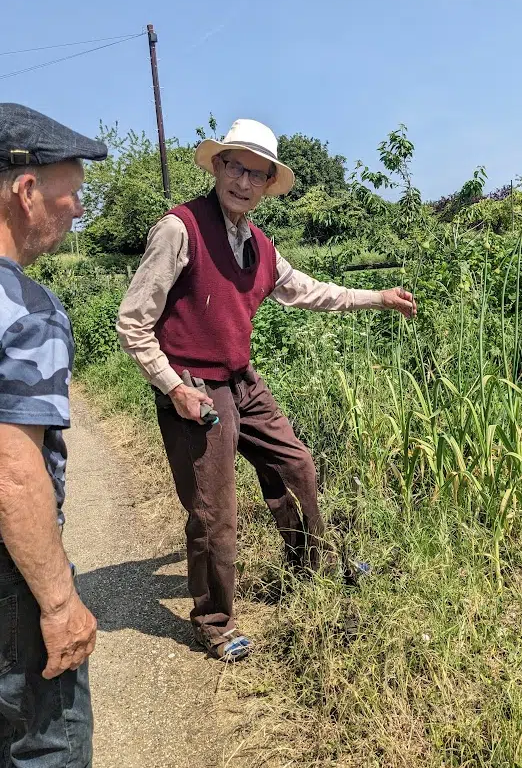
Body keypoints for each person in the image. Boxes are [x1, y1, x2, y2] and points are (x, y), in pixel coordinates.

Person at [116, 118, 416, 663]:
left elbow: (309, 292)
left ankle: (309, 562)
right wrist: (173, 389)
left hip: (241, 380)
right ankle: (213, 621)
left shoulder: (260, 245)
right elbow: (133, 322)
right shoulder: (179, 229)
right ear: (217, 167)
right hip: (194, 387)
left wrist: (378, 296)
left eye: (258, 174)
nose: (244, 182)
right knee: (215, 512)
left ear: (267, 185)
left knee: (296, 463)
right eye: (235, 166)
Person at [0, 103, 107, 765]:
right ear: (27, 188)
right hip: (9, 583)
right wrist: (60, 601)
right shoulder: (28, 313)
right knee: (47, 742)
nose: (76, 212)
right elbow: (12, 469)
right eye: (71, 193)